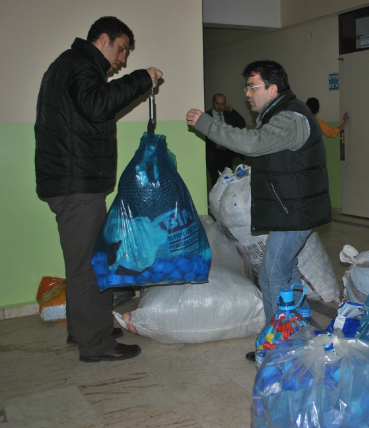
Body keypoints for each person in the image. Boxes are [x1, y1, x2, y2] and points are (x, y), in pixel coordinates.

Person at [35, 16, 163, 362]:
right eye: (120, 50)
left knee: (82, 262)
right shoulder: (80, 67)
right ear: (103, 40)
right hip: (77, 184)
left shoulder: (66, 65)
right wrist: (140, 80)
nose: (122, 61)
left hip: (70, 181)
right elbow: (97, 105)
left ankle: (84, 329)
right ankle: (97, 344)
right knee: (91, 266)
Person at [186, 61, 331, 362]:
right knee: (288, 272)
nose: (247, 94)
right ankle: (297, 337)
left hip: (295, 212)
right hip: (290, 210)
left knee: (271, 275)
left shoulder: (289, 119)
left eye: (253, 87)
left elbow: (251, 143)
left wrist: (206, 123)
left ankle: (278, 349)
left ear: (273, 89)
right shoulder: (280, 114)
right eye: (247, 87)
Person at [204, 93, 246, 182]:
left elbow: (242, 123)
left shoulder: (228, 114)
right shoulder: (207, 116)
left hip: (227, 153)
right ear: (212, 103)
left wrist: (232, 111)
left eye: (222, 104)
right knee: (216, 180)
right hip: (214, 153)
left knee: (228, 179)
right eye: (217, 103)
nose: (220, 106)